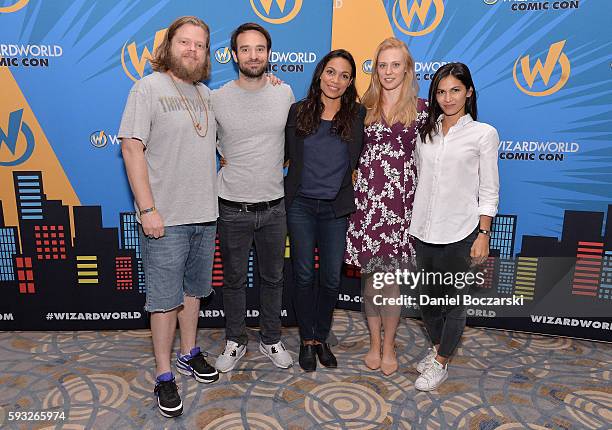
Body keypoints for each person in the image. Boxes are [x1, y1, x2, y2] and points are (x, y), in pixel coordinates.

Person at [118, 16, 219, 418]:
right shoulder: (147, 88)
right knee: (163, 301)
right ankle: (163, 374)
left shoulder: (206, 94)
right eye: (185, 42)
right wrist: (147, 209)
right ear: (169, 46)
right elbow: (131, 148)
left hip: (204, 214)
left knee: (193, 292)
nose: (192, 50)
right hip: (165, 216)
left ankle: (188, 352)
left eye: (200, 45)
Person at [410, 62, 499, 391]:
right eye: (441, 91)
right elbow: (422, 180)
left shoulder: (483, 134)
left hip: (461, 233)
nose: (447, 98)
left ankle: (442, 362)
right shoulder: (426, 132)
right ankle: (437, 350)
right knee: (428, 302)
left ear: (469, 92)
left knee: (454, 303)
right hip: (424, 230)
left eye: (455, 90)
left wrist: (483, 234)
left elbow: (489, 189)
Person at [212, 23, 294, 373]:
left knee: (273, 279)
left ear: (269, 54)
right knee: (233, 280)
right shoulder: (215, 98)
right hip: (231, 207)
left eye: (259, 48)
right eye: (245, 49)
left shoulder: (284, 93)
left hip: (275, 206)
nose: (253, 55)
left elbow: (292, 145)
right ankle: (235, 339)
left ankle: (271, 338)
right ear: (234, 55)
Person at [345, 37, 427, 375]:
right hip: (366, 206)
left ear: (406, 69)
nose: (389, 71)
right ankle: (373, 343)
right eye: (383, 65)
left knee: (389, 282)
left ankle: (389, 345)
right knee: (370, 281)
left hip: (401, 206)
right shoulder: (363, 107)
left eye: (396, 65)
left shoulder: (423, 110)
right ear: (375, 70)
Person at [284, 49, 365, 372]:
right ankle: (307, 340)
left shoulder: (357, 114)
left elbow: (359, 157)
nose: (336, 80)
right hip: (301, 205)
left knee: (331, 279)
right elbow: (281, 153)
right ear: (320, 74)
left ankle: (321, 337)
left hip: (336, 207)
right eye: (331, 72)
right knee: (303, 275)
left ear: (350, 82)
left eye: (344, 75)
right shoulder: (298, 111)